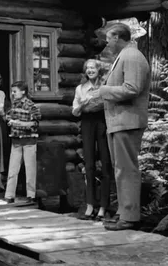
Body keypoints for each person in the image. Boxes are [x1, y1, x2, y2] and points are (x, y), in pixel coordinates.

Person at [91, 23, 150, 231]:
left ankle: (130, 216)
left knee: (126, 169)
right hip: (119, 122)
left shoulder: (132, 56)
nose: (107, 42)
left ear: (118, 37)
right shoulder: (125, 55)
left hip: (128, 121)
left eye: (109, 38)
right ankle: (123, 212)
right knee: (120, 169)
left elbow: (132, 88)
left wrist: (104, 90)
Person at [72, 59, 112, 221]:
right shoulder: (80, 89)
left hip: (103, 122)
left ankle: (103, 206)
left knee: (105, 164)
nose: (90, 70)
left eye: (93, 68)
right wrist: (82, 104)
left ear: (99, 70)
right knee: (88, 164)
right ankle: (90, 204)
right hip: (87, 123)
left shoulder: (105, 86)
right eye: (87, 68)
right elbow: (75, 111)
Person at [4, 81, 41, 204]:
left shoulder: (31, 106)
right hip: (16, 141)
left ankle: (31, 195)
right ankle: (9, 195)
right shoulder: (14, 105)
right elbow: (9, 116)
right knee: (13, 169)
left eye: (15, 91)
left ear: (23, 92)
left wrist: (18, 123)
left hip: (29, 141)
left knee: (30, 169)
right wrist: (9, 119)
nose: (13, 94)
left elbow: (35, 123)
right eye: (12, 91)